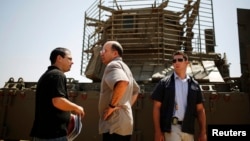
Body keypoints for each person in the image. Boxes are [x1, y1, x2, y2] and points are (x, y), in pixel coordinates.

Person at [30, 47, 85, 141]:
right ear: (59, 58)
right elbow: (57, 101)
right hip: (53, 135)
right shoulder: (58, 75)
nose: (72, 62)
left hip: (44, 134)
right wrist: (77, 108)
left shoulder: (48, 74)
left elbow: (50, 104)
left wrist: (68, 114)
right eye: (69, 59)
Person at [151, 51, 207, 141]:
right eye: (174, 61)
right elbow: (156, 107)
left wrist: (203, 132)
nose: (176, 62)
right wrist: (158, 131)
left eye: (180, 60)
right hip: (171, 128)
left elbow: (200, 109)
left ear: (187, 63)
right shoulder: (164, 83)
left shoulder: (194, 85)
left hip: (188, 129)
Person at [98, 41, 140, 141]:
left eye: (105, 50)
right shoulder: (125, 67)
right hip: (124, 123)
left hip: (114, 124)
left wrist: (112, 106)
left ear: (115, 53)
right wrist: (126, 105)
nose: (101, 53)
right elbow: (136, 90)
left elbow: (122, 82)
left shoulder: (113, 65)